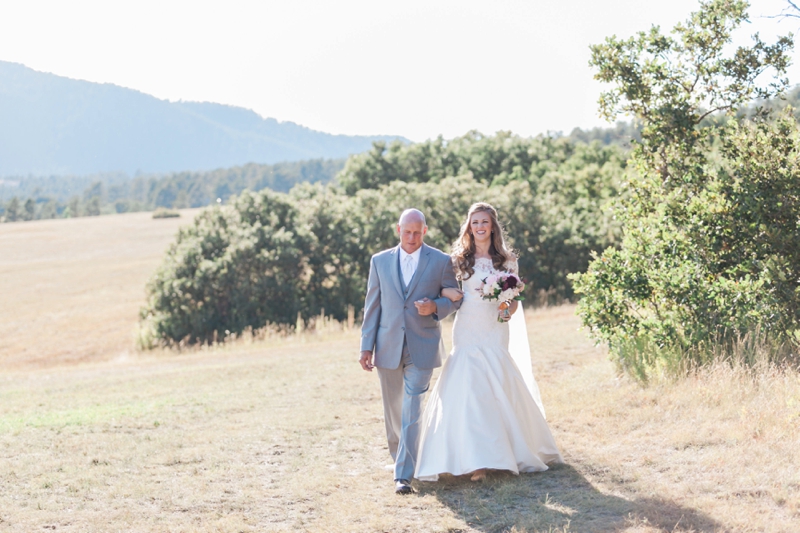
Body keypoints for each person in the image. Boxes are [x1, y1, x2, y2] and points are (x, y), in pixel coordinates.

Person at [415, 202, 563, 482]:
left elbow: (513, 302)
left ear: (493, 226)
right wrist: (453, 293)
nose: (480, 227)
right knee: (469, 388)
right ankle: (475, 462)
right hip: (468, 326)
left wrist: (505, 308)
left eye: (484, 222)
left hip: (495, 328)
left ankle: (501, 452)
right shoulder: (458, 259)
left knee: (495, 385)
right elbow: (443, 287)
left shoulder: (507, 261)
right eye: (475, 223)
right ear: (469, 228)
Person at [359, 208, 461, 494]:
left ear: (425, 231)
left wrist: (435, 308)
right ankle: (399, 459)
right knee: (393, 410)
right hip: (387, 345)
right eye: (407, 232)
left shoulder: (441, 261)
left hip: (423, 345)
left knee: (411, 408)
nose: (413, 237)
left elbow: (454, 299)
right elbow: (372, 306)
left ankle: (402, 476)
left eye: (418, 232)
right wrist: (366, 346)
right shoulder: (379, 261)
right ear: (398, 230)